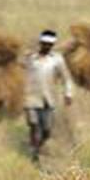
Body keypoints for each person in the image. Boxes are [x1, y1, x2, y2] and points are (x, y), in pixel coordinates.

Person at [22, 29, 74, 163]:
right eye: (44, 43)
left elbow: (66, 78)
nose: (46, 46)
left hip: (48, 100)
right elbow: (17, 68)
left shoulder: (57, 60)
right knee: (33, 124)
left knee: (46, 130)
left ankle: (37, 147)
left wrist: (68, 94)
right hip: (30, 98)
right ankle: (33, 153)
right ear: (40, 43)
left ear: (53, 45)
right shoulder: (30, 58)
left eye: (49, 44)